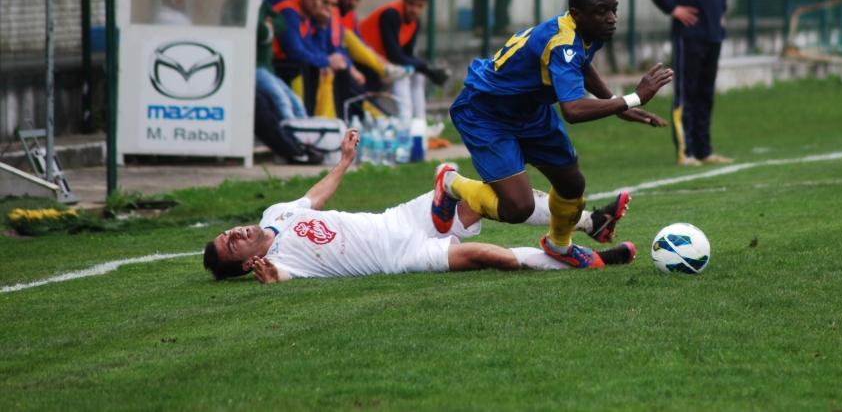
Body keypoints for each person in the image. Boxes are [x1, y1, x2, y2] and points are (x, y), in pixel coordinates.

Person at [437, 0, 673, 269]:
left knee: (571, 182)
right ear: (577, 14)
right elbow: (572, 110)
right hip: (486, 113)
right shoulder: (563, 43)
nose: (611, 18)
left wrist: (614, 103)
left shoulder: (586, 29)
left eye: (615, 9)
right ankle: (450, 183)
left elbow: (582, 64)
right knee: (517, 207)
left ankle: (559, 245)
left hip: (530, 111)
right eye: (603, 11)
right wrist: (633, 98)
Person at [203, 130, 637, 282]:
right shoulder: (281, 261)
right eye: (233, 245)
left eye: (229, 233)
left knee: (492, 195)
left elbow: (313, 198)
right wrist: (270, 278)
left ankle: (589, 222)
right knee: (494, 258)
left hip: (397, 220)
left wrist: (344, 163)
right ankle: (596, 259)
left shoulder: (273, 215)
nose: (236, 233)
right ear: (246, 264)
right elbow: (279, 277)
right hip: (400, 256)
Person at [642, 0, 733, 166]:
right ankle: (686, 152)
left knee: (705, 93)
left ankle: (704, 150)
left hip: (712, 34)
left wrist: (720, 13)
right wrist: (673, 8)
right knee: (687, 92)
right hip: (689, 35)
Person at [358, 0, 448, 121]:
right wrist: (427, 68)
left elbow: (407, 55)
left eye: (419, 6)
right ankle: (405, 122)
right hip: (362, 61)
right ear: (404, 0)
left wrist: (427, 69)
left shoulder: (415, 22)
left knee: (417, 75)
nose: (414, 10)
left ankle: (419, 122)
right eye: (411, 4)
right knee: (403, 74)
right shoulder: (391, 14)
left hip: (380, 61)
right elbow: (394, 56)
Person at [272, 0, 350, 114]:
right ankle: (307, 119)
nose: (316, 3)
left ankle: (329, 121)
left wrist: (322, 26)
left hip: (290, 64)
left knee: (329, 71)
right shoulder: (289, 12)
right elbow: (295, 51)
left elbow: (311, 48)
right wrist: (326, 61)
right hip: (275, 65)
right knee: (311, 68)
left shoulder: (307, 16)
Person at [255, 0, 307, 122]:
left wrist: (269, 27)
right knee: (281, 100)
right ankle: (291, 133)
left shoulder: (262, 2)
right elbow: (261, 31)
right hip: (254, 66)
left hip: (266, 68)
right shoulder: (244, 1)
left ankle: (305, 132)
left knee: (296, 102)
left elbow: (280, 23)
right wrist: (267, 29)